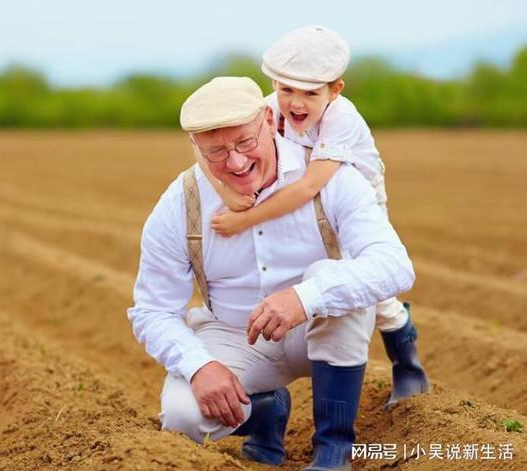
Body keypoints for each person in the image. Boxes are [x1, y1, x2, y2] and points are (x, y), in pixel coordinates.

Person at [127, 76, 415, 470]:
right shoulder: (181, 203)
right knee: (182, 417)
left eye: (245, 142)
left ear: (267, 118)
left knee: (336, 280)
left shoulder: (328, 176)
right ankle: (265, 412)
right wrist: (200, 366)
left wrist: (305, 296)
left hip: (319, 326)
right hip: (235, 334)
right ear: (195, 147)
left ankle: (333, 448)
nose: (237, 162)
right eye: (217, 152)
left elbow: (395, 265)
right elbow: (152, 310)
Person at [199, 26, 429, 409]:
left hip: (350, 197)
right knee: (313, 277)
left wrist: (245, 218)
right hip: (301, 200)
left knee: (372, 287)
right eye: (287, 89)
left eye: (311, 93)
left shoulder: (342, 118)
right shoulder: (267, 109)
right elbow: (206, 140)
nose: (296, 102)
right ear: (273, 83)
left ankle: (408, 365)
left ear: (335, 90)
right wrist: (228, 194)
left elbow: (311, 185)